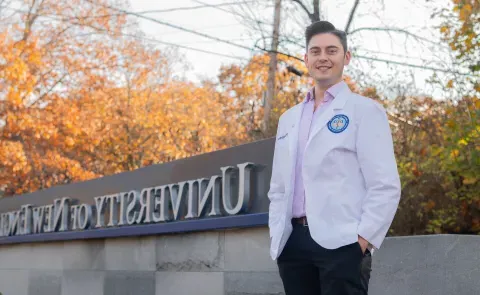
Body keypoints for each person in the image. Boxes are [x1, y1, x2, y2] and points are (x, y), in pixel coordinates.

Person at [267, 20, 401, 295]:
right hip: (293, 244)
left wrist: (362, 241)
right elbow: (279, 186)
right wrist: (277, 235)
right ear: (306, 58)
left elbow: (385, 185)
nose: (323, 58)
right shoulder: (288, 119)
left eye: (331, 50)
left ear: (346, 57)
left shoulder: (365, 111)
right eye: (315, 51)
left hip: (343, 244)